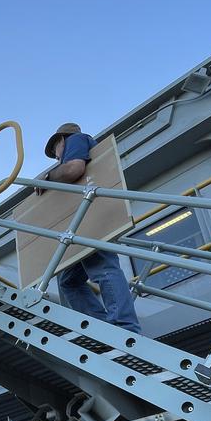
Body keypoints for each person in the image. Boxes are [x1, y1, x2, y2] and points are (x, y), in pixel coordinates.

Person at [43, 122, 142, 334]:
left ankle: (124, 327)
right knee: (68, 281)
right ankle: (101, 328)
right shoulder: (81, 145)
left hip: (90, 219)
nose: (56, 157)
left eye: (55, 151)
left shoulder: (75, 140)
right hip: (81, 224)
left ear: (61, 140)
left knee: (103, 268)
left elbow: (74, 169)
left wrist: (49, 178)